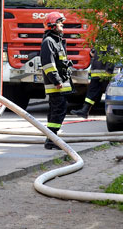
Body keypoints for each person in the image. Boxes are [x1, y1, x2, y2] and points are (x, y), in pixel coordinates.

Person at [40, 12, 74, 150]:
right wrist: (57, 80)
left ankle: (52, 138)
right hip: (56, 85)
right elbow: (48, 64)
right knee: (58, 111)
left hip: (59, 84)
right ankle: (52, 139)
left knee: (56, 110)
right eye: (60, 22)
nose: (62, 25)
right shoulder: (49, 42)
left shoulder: (57, 41)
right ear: (52, 25)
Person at [71, 45, 115, 117]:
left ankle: (85, 111)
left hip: (104, 73)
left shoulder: (108, 40)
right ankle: (84, 111)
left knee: (98, 92)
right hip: (97, 72)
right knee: (92, 91)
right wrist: (92, 53)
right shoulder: (100, 40)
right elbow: (94, 54)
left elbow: (111, 56)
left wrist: (109, 70)